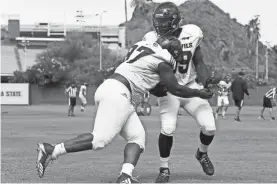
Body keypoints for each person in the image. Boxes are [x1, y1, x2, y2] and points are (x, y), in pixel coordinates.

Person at [36, 36, 213, 183]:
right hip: (119, 93)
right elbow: (176, 89)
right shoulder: (163, 61)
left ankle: (125, 176)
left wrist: (163, 86)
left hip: (116, 90)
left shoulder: (143, 46)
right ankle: (52, 149)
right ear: (173, 52)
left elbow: (151, 84)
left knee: (137, 137)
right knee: (100, 140)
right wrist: (198, 92)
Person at [142, 2, 219, 182]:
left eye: (165, 22)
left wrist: (206, 81)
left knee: (209, 127)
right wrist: (154, 87)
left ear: (175, 21)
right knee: (167, 128)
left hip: (190, 84)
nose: (160, 26)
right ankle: (164, 169)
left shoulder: (191, 33)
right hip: (169, 89)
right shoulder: (150, 38)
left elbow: (198, 62)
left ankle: (202, 154)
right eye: (158, 22)